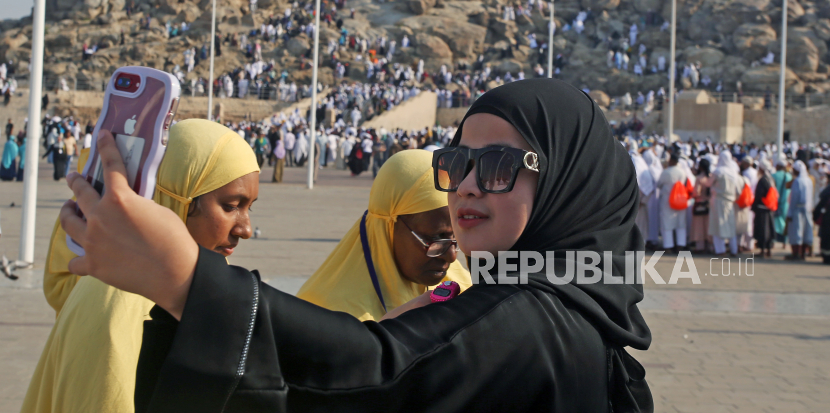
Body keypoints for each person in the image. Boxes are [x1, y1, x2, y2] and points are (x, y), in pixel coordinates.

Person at [59, 79, 653, 412]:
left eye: (498, 164)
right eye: (457, 162)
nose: (468, 184)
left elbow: (369, 372)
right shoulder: (556, 306)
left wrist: (184, 279)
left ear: (568, 181)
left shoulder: (530, 319)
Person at [21, 119, 260, 413]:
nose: (246, 229)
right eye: (231, 206)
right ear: (176, 198)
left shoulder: (188, 293)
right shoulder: (119, 301)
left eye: (250, 207)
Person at [297, 150, 471, 321]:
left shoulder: (463, 288)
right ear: (388, 226)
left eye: (455, 238)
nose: (452, 256)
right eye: (435, 239)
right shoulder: (327, 318)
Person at [710, 151, 743, 256]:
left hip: (719, 201)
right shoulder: (734, 173)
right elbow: (739, 190)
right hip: (730, 202)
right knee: (730, 226)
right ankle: (734, 250)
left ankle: (720, 250)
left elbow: (708, 183)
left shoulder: (718, 171)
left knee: (718, 226)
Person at [657, 152, 689, 251]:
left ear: (672, 161)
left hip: (668, 200)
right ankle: (680, 244)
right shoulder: (682, 172)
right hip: (681, 199)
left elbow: (659, 184)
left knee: (667, 223)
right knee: (681, 223)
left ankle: (668, 246)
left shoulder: (666, 172)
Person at [787, 160, 814, 260]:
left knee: (796, 231)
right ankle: (802, 254)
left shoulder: (797, 181)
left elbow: (794, 199)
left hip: (797, 210)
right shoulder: (809, 180)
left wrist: (790, 213)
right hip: (807, 210)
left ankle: (796, 254)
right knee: (806, 231)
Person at [752, 159, 776, 258]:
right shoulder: (771, 179)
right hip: (769, 208)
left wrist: (754, 206)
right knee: (769, 229)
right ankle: (768, 250)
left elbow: (759, 194)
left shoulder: (762, 180)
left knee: (762, 230)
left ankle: (762, 250)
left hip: (762, 209)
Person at [690, 158, 712, 252]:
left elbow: (696, 193)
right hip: (709, 204)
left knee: (699, 226)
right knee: (708, 225)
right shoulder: (711, 177)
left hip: (700, 204)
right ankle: (710, 245)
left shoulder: (699, 178)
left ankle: (700, 246)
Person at [814, 171, 830, 264]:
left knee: (826, 240)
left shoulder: (827, 190)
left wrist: (815, 215)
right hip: (826, 219)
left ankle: (826, 257)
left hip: (827, 220)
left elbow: (820, 204)